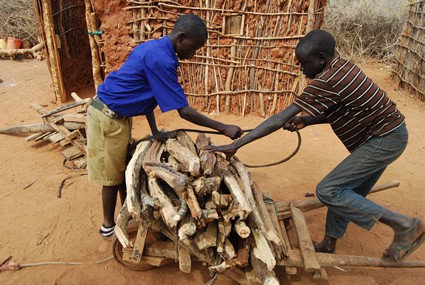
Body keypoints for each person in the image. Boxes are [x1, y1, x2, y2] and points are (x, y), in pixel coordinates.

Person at [205, 29, 425, 262]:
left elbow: (279, 118)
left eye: (304, 64)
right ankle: (329, 243)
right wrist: (307, 120)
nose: (301, 69)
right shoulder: (340, 67)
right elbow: (341, 110)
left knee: (329, 190)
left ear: (321, 58)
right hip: (389, 135)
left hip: (384, 139)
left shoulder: (328, 79)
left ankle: (405, 225)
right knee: (346, 192)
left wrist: (237, 144)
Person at [86, 14, 243, 239]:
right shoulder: (161, 59)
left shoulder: (156, 49)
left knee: (122, 170)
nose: (194, 53)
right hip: (107, 118)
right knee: (112, 177)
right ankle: (108, 227)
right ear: (181, 38)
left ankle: (128, 214)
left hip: (117, 117)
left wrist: (156, 131)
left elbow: (148, 97)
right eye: (194, 47)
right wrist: (222, 128)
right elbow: (184, 111)